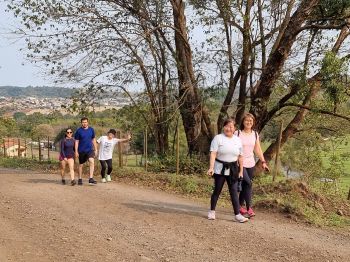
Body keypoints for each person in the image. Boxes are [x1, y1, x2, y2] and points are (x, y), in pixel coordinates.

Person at [207, 118, 249, 223]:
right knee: (217, 190)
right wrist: (211, 168)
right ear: (223, 127)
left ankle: (237, 214)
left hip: (233, 169)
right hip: (219, 168)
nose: (228, 128)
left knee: (234, 191)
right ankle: (212, 211)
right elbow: (213, 153)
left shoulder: (238, 140)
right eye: (226, 126)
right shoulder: (218, 138)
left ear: (235, 129)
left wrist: (240, 171)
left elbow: (240, 157)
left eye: (231, 126)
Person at [235, 113, 270, 217]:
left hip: (251, 163)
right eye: (246, 120)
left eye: (250, 121)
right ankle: (249, 207)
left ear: (253, 122)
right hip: (239, 163)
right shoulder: (237, 133)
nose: (248, 122)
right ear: (243, 121)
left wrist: (263, 162)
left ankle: (240, 206)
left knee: (246, 185)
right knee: (249, 183)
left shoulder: (255, 134)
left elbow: (257, 149)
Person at [74, 117, 98, 185]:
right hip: (81, 150)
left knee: (91, 161)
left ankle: (91, 178)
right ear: (81, 123)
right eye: (83, 122)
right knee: (81, 165)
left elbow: (93, 139)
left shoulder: (91, 130)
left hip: (89, 150)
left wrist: (96, 149)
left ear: (88, 122)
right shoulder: (78, 131)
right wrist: (76, 151)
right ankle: (80, 178)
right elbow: (76, 141)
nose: (84, 123)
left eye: (85, 122)